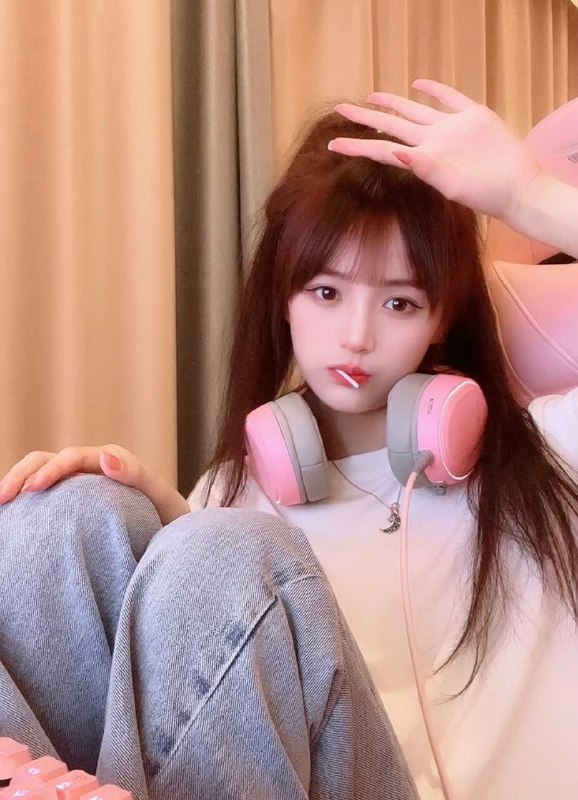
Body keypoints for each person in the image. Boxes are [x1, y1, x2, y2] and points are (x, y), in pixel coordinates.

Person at [1, 79, 577, 799]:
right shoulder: (240, 489)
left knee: (225, 548)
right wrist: (172, 522)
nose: (357, 336)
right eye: (326, 292)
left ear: (442, 317)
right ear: (283, 295)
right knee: (59, 517)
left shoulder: (554, 452)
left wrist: (527, 195)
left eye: (399, 302)